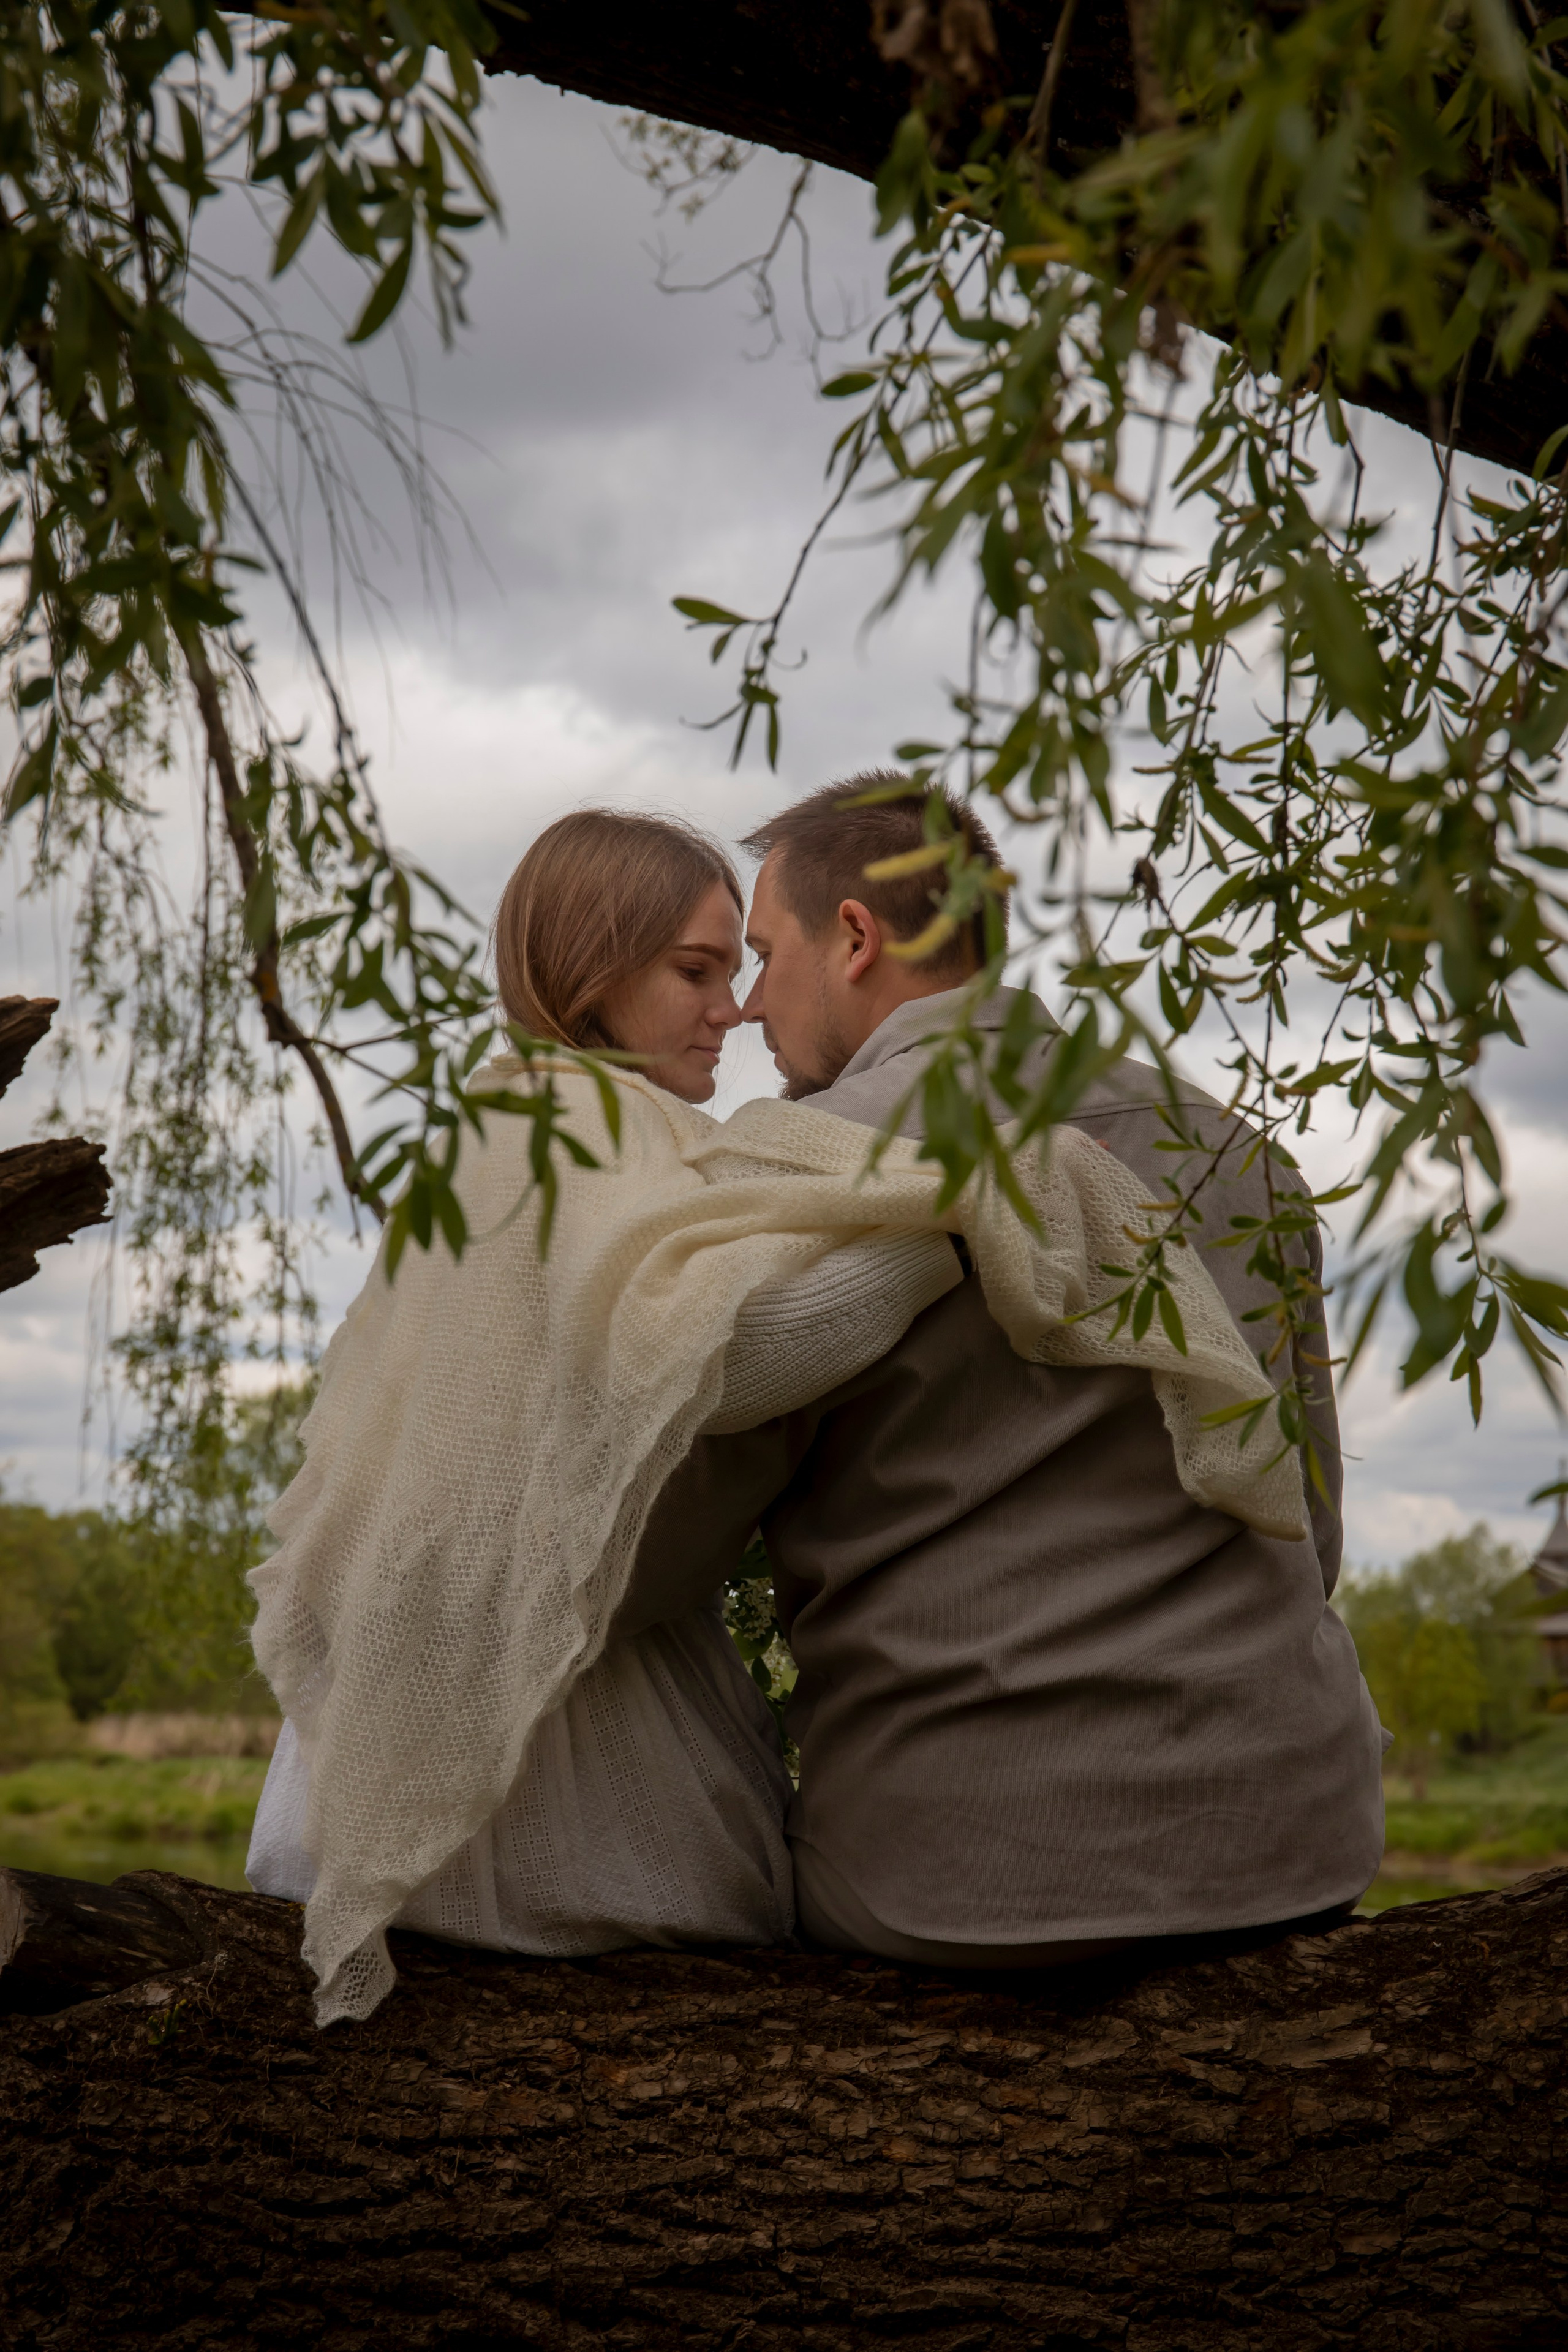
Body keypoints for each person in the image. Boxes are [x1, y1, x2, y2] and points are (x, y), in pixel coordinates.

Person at [617, 775, 1387, 1967]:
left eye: (766, 956)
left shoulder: (796, 1168)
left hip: (956, 1883)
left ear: (857, 939)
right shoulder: (1237, 1156)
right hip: (1288, 1850)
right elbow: (1309, 1533)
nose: (754, 1008)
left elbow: (655, 1560)